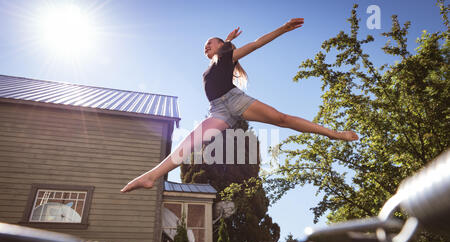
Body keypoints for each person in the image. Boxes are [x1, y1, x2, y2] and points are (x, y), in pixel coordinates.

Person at [120, 18, 358, 193]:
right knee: (193, 140)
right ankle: (152, 176)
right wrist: (228, 39)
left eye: (210, 43)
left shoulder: (228, 56)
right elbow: (220, 55)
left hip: (236, 100)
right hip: (219, 110)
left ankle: (334, 134)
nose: (206, 46)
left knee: (282, 119)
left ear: (221, 46)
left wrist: (282, 29)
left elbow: (255, 43)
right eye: (204, 45)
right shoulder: (214, 65)